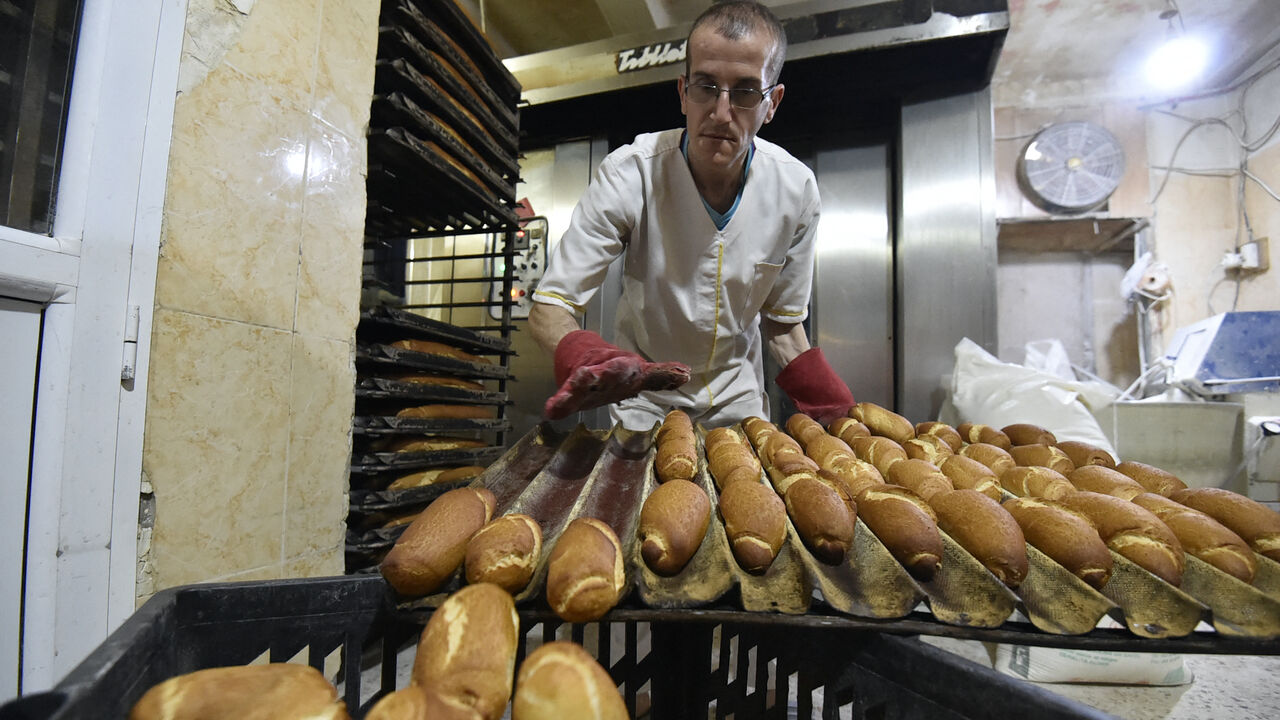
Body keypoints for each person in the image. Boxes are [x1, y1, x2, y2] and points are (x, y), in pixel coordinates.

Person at [529, 0, 853, 429]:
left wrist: (836, 411)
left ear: (771, 103)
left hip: (737, 398)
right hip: (644, 397)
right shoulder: (632, 174)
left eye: (744, 92)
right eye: (706, 87)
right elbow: (550, 305)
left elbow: (783, 325)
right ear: (683, 93)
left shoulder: (795, 191)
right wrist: (588, 358)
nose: (720, 113)